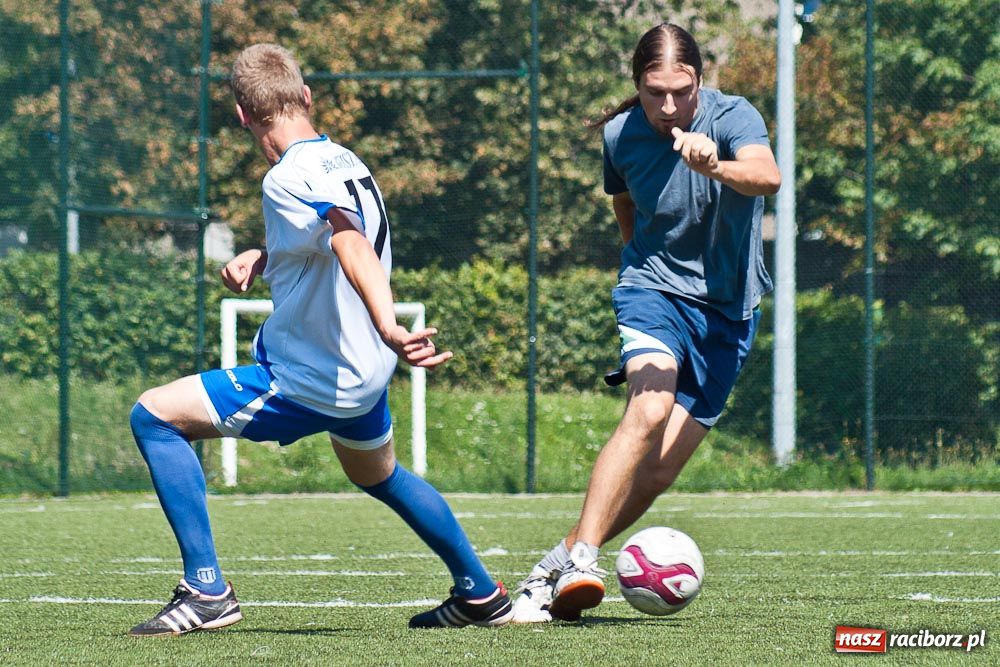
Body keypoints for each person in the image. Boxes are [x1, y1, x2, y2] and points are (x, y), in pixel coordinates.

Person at [127, 43, 513, 637]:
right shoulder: (345, 161)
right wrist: (266, 258)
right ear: (307, 97)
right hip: (363, 373)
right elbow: (322, 239)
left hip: (309, 378)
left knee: (152, 416)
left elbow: (348, 242)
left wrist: (389, 325)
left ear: (241, 116)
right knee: (379, 475)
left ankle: (206, 590)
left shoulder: (285, 177)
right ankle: (480, 593)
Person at [511, 23, 781, 623]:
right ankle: (584, 561)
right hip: (651, 292)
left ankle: (552, 568)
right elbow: (624, 201)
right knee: (649, 409)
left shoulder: (734, 118)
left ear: (699, 81)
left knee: (657, 472)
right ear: (637, 83)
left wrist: (716, 167)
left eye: (680, 92)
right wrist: (640, 268)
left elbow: (767, 176)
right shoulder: (619, 134)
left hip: (729, 314)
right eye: (653, 91)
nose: (666, 106)